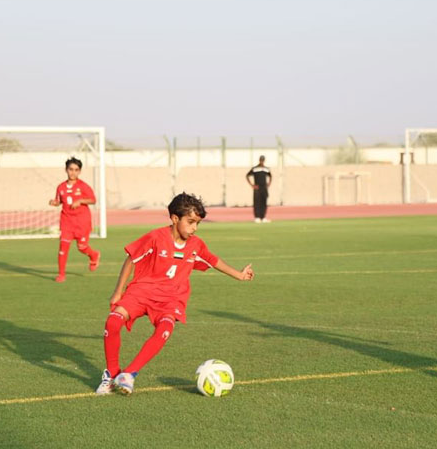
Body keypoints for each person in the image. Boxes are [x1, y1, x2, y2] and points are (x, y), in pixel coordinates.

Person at [96, 192, 254, 395]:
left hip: (171, 299)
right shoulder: (155, 237)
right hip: (142, 291)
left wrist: (239, 275)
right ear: (175, 218)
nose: (194, 228)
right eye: (191, 222)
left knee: (165, 328)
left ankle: (128, 374)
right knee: (113, 321)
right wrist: (118, 292)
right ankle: (111, 375)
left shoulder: (196, 245)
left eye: (197, 223)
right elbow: (131, 259)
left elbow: (214, 261)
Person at [49, 157, 101, 283]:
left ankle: (94, 255)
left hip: (82, 221)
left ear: (79, 171)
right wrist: (54, 202)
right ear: (66, 170)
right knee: (63, 247)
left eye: (76, 170)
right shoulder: (61, 187)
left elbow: (93, 200)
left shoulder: (83, 186)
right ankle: (61, 275)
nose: (73, 172)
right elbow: (59, 201)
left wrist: (80, 201)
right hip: (67, 221)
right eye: (71, 169)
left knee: (82, 247)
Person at [246, 155, 272, 223]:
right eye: (261, 160)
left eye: (263, 160)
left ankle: (263, 217)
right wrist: (252, 185)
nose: (262, 161)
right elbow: (247, 175)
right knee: (257, 202)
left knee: (264, 202)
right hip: (257, 187)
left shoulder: (266, 169)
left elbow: (270, 176)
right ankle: (257, 217)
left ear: (264, 160)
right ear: (259, 160)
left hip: (264, 187)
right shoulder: (255, 168)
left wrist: (269, 183)